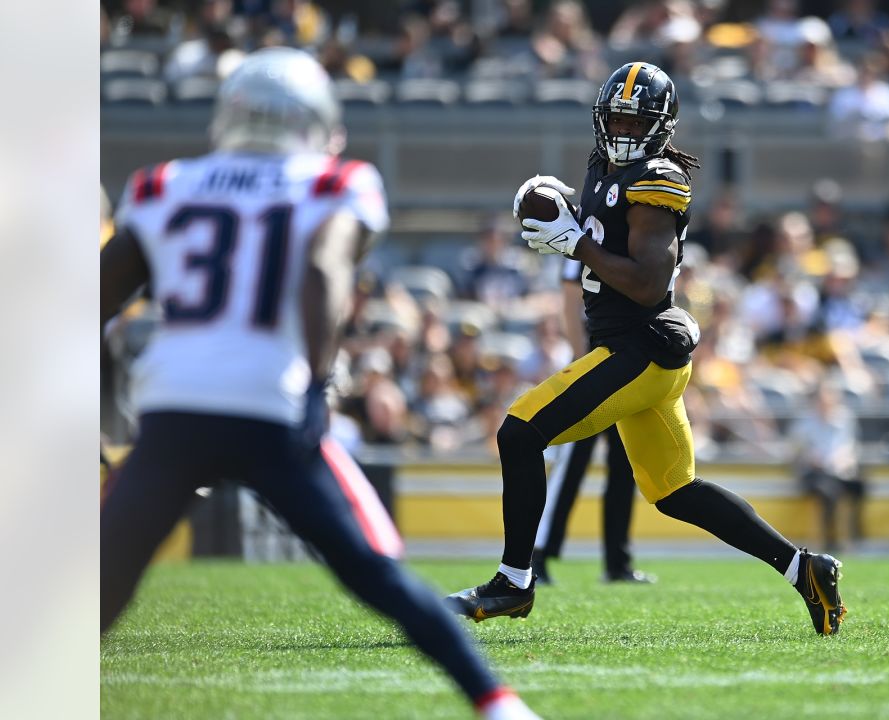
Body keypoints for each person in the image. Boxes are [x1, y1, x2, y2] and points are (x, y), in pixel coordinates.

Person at [99, 48, 540, 720]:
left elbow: (94, 296)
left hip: (173, 410)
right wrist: (311, 382)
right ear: (314, 121)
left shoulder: (164, 184)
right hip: (267, 406)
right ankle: (498, 704)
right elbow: (322, 270)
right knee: (376, 571)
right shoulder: (337, 183)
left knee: (104, 580)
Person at [446, 62, 846, 636]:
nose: (624, 130)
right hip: (637, 352)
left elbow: (648, 283)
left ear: (662, 125)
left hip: (639, 348)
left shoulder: (658, 180)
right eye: (616, 117)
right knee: (675, 490)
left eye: (636, 120)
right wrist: (565, 222)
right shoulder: (601, 163)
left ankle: (514, 582)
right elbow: (602, 237)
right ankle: (803, 567)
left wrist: (577, 244)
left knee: (519, 431)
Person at [531, 257, 656, 586]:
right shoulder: (592, 233)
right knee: (570, 466)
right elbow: (571, 299)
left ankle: (618, 561)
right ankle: (538, 555)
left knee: (623, 467)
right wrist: (582, 358)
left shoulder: (629, 237)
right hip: (594, 365)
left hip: (625, 367)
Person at [790, 382, 864, 553]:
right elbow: (795, 451)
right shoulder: (804, 422)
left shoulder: (845, 418)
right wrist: (811, 458)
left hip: (839, 471)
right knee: (828, 492)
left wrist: (844, 460)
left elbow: (850, 446)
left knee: (859, 486)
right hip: (814, 473)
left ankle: (855, 533)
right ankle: (829, 540)